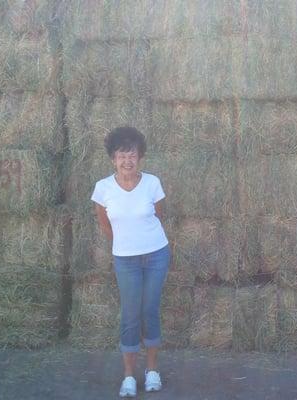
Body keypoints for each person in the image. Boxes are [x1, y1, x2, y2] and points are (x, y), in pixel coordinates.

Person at [91, 126, 170, 397]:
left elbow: (157, 215)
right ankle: (128, 376)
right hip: (125, 260)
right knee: (130, 315)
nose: (127, 160)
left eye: (132, 154)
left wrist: (141, 240)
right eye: (122, 155)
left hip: (157, 254)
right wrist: (125, 243)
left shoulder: (152, 183)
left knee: (150, 310)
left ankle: (152, 370)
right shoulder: (103, 188)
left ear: (140, 156)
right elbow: (105, 223)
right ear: (113, 158)